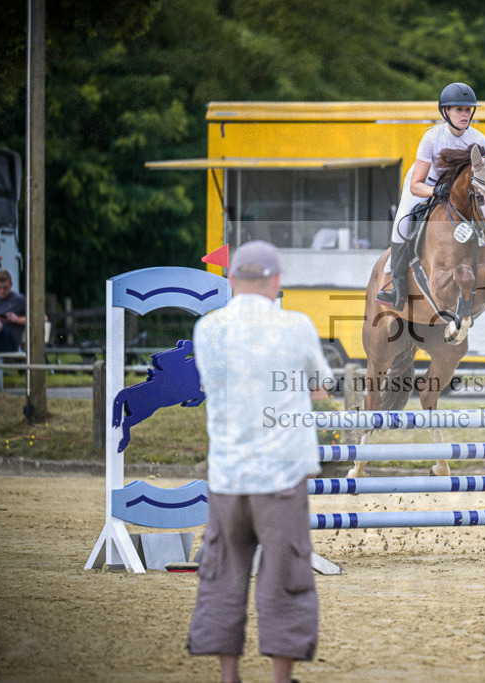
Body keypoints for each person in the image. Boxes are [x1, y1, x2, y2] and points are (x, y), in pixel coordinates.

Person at [187, 240, 334, 683]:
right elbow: (322, 386)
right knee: (285, 575)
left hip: (228, 476)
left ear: (231, 280)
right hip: (280, 477)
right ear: (276, 281)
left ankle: (228, 675)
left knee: (221, 575)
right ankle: (280, 678)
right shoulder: (297, 325)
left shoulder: (207, 328)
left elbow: (214, 387)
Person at [375, 82, 485, 310]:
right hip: (425, 187)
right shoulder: (432, 138)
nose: (465, 114)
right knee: (403, 224)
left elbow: (479, 178)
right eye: (459, 109)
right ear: (445, 111)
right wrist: (435, 191)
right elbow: (416, 184)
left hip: (457, 194)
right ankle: (395, 285)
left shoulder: (480, 140)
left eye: (468, 110)